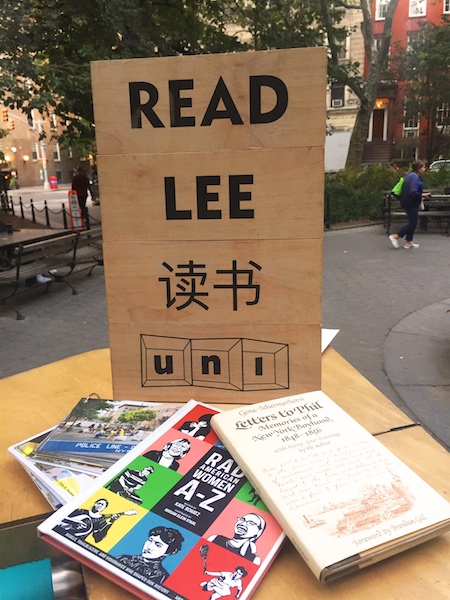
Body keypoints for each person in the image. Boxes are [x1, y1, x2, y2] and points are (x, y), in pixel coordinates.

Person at [116, 525, 184, 584]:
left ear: (167, 553)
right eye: (150, 540)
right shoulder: (123, 559)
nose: (149, 546)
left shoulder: (162, 577)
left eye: (158, 545)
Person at [389, 159, 430, 249]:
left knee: (413, 221)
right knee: (413, 222)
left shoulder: (410, 175)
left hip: (408, 201)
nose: (424, 169)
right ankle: (396, 236)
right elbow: (413, 192)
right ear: (419, 168)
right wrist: (422, 195)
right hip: (410, 203)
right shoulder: (414, 177)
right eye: (423, 167)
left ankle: (409, 242)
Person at [55, 498, 136, 542]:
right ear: (95, 503)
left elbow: (98, 539)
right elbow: (59, 517)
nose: (100, 505)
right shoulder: (81, 511)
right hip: (59, 531)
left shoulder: (101, 520)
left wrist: (111, 522)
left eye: (103, 505)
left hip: (73, 540)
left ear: (104, 508)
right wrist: (74, 522)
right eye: (99, 503)